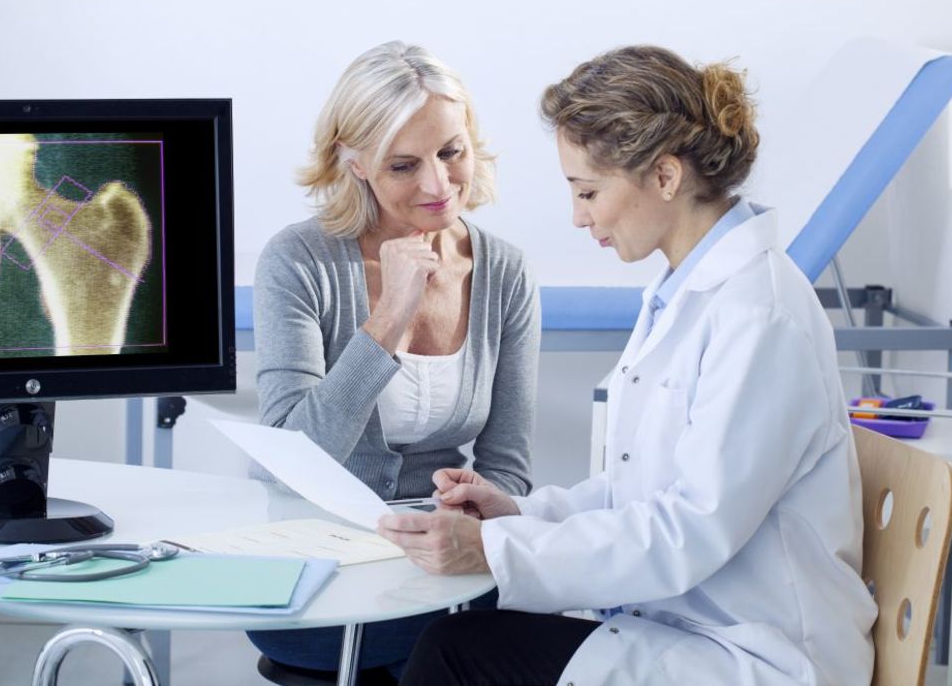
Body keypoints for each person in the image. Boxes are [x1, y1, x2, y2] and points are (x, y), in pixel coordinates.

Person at [378, 45, 878, 685]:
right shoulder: (684, 291)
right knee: (455, 643)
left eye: (588, 191)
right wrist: (516, 516)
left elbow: (688, 531)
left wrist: (494, 550)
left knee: (456, 653)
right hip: (686, 625)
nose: (578, 215)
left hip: (756, 652)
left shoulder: (759, 316)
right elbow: (637, 490)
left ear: (665, 177)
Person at [249, 40, 539, 679]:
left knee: (522, 634)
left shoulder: (505, 273)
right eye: (404, 165)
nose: (438, 184)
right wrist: (388, 321)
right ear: (354, 163)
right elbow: (287, 454)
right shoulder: (298, 262)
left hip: (450, 571)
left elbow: (510, 473)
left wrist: (473, 515)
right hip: (318, 571)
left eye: (451, 152)